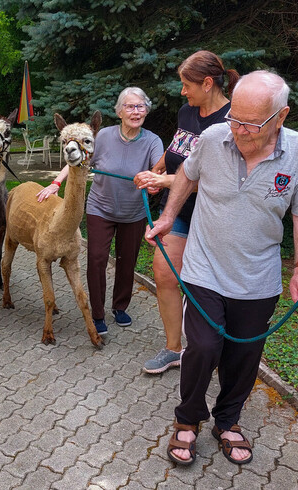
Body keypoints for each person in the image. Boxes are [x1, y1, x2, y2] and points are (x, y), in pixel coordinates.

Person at [146, 70, 298, 466]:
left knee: (242, 357)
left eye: (250, 123)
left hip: (258, 278)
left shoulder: (297, 153)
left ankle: (227, 421)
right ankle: (187, 419)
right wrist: (168, 216)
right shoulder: (215, 137)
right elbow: (186, 175)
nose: (239, 130)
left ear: (280, 117)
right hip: (204, 269)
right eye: (235, 118)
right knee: (204, 347)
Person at [134, 51, 240, 374]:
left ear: (208, 84)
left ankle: (219, 352)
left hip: (215, 214)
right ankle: (173, 349)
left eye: (186, 85)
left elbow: (215, 177)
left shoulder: (232, 121)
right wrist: (155, 171)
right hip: (180, 210)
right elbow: (177, 148)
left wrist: (164, 180)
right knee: (164, 271)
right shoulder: (187, 111)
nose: (182, 91)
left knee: (210, 285)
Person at [37, 87, 163, 333]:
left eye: (140, 106)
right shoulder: (103, 136)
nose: (135, 111)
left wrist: (155, 181)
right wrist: (56, 182)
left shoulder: (152, 141)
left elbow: (158, 171)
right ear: (119, 111)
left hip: (133, 212)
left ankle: (120, 306)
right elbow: (78, 160)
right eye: (129, 106)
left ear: (146, 110)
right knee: (96, 260)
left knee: (127, 262)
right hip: (100, 208)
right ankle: (97, 313)